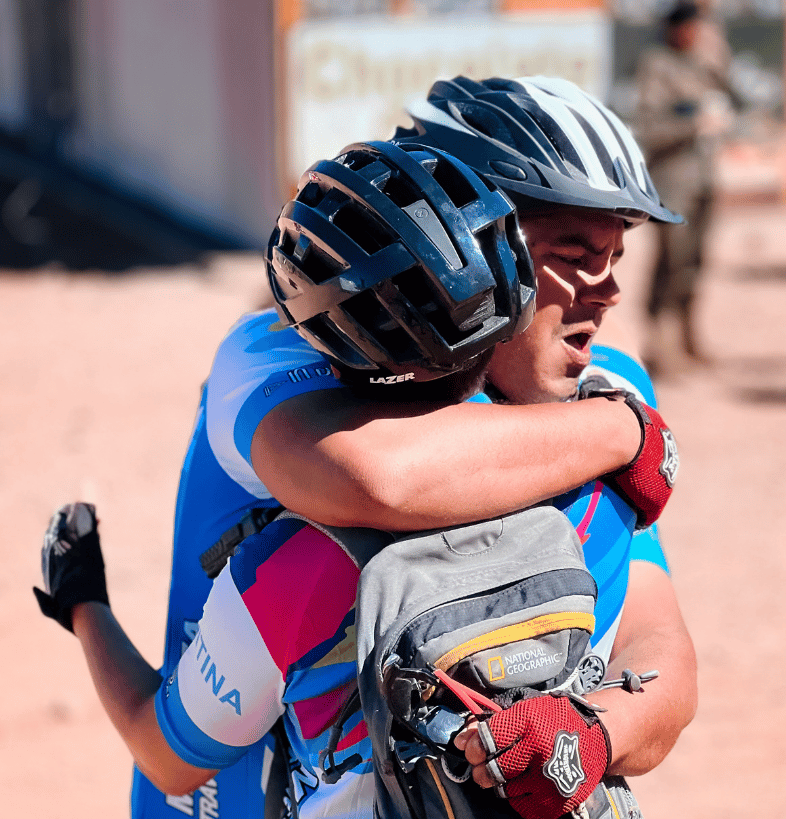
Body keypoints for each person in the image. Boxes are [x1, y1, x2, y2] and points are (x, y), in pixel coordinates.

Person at [40, 77, 697, 819]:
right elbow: (371, 475)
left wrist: (594, 733)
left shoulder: (608, 388)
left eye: (615, 256)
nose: (608, 292)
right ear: (474, 243)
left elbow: (659, 646)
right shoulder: (276, 356)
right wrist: (626, 433)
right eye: (573, 254)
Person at [633, 0, 736, 370]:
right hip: (672, 182)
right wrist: (694, 124)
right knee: (671, 261)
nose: (697, 34)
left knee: (695, 261)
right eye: (692, 27)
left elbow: (730, 94)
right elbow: (650, 128)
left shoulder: (702, 64)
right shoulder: (657, 66)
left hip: (704, 178)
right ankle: (658, 342)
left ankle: (689, 336)